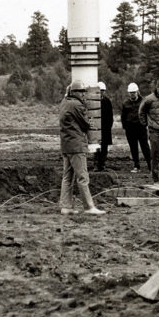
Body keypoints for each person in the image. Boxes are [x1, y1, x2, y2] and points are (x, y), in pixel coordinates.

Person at [59, 78, 105, 216]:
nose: (84, 94)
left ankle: (66, 206)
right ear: (75, 92)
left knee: (67, 177)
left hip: (66, 145)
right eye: (82, 92)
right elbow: (85, 124)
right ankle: (89, 207)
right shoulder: (77, 105)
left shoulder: (64, 102)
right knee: (83, 177)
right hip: (77, 146)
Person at [120, 82, 151, 173]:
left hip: (141, 128)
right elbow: (123, 116)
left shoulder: (144, 101)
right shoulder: (125, 103)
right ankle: (136, 166)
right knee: (133, 147)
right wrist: (125, 127)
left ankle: (150, 165)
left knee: (145, 147)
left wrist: (146, 125)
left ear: (137, 91)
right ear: (128, 93)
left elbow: (147, 114)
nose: (132, 94)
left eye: (133, 92)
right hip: (130, 129)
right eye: (130, 92)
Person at [94, 81, 113, 172]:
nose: (101, 92)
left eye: (102, 90)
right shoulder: (93, 102)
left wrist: (109, 127)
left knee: (104, 147)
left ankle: (102, 164)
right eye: (100, 90)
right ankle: (96, 164)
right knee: (96, 147)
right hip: (96, 128)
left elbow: (110, 116)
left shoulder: (107, 101)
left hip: (105, 128)